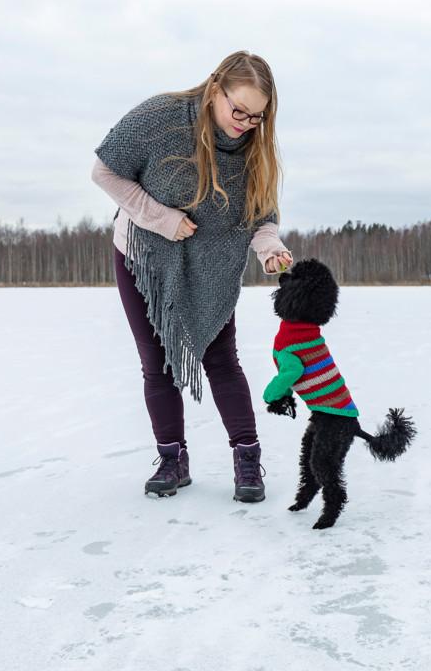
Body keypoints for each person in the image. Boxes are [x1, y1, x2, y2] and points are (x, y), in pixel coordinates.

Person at [91, 51, 293, 503]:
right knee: (157, 363)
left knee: (222, 361)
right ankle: (172, 459)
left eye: (256, 117)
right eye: (237, 109)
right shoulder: (160, 118)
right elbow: (105, 170)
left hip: (211, 267)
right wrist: (160, 217)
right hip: (144, 259)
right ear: (215, 87)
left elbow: (261, 218)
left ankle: (246, 460)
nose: (244, 122)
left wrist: (270, 249)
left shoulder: (255, 150)